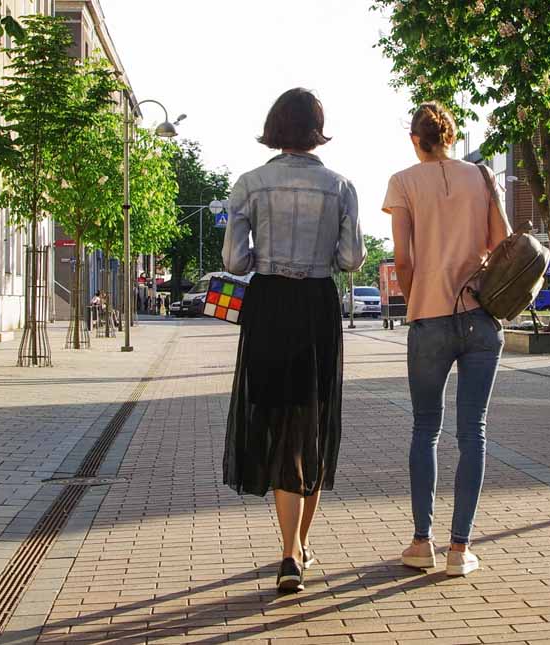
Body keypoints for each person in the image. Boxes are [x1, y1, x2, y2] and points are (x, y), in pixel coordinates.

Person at [222, 88, 366, 593]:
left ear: (275, 128)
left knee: (276, 416)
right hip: (316, 305)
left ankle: (289, 552)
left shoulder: (249, 184)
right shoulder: (340, 186)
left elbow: (235, 261)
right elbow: (351, 259)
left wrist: (262, 252)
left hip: (268, 305)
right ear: (316, 131)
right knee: (313, 419)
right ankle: (298, 548)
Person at [382, 102, 510, 577]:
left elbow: (403, 258)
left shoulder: (402, 182)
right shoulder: (480, 176)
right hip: (480, 316)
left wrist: (417, 301)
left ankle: (422, 543)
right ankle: (460, 549)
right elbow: (502, 242)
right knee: (473, 431)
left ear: (415, 140)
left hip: (429, 318)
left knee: (425, 430)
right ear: (451, 137)